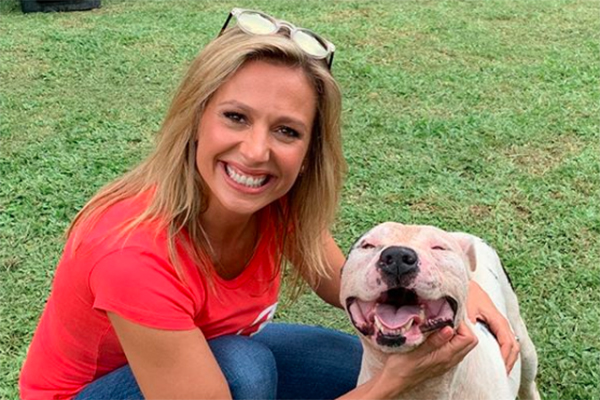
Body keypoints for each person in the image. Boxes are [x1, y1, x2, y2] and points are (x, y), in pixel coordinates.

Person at [19, 7, 519, 400]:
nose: (257, 152)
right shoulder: (130, 252)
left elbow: (343, 279)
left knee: (354, 360)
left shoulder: (275, 204)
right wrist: (389, 387)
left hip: (206, 363)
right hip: (92, 395)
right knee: (246, 370)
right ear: (196, 120)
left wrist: (451, 285)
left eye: (286, 130)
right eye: (236, 116)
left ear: (307, 152)